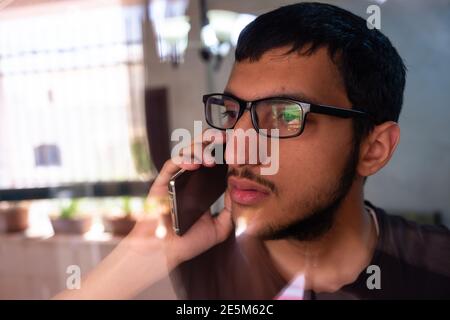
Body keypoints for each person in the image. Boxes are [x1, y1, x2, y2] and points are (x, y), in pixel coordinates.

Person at [168, 2, 450, 299]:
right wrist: (143, 255)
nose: (236, 153)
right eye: (230, 112)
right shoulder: (197, 272)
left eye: (285, 116)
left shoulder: (438, 269)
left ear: (373, 150)